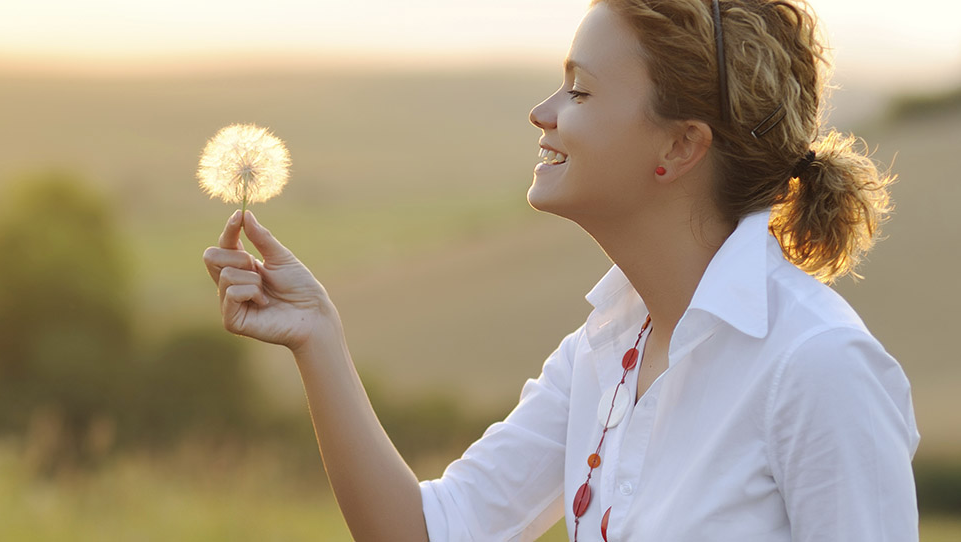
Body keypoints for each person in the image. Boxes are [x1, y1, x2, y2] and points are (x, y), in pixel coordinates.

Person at [202, 0, 919, 540]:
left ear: (679, 146)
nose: (542, 112)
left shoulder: (819, 365)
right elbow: (430, 530)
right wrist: (317, 336)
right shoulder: (606, 349)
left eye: (579, 90)